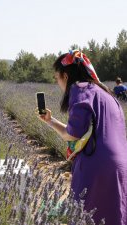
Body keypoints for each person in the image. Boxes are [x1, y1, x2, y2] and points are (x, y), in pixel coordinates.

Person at [38, 50, 127, 225]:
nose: (58, 83)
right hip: (121, 166)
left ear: (65, 76)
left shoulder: (79, 89)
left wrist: (51, 123)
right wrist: (51, 121)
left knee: (85, 216)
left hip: (96, 166)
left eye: (57, 78)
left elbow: (72, 135)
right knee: (114, 215)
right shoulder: (107, 94)